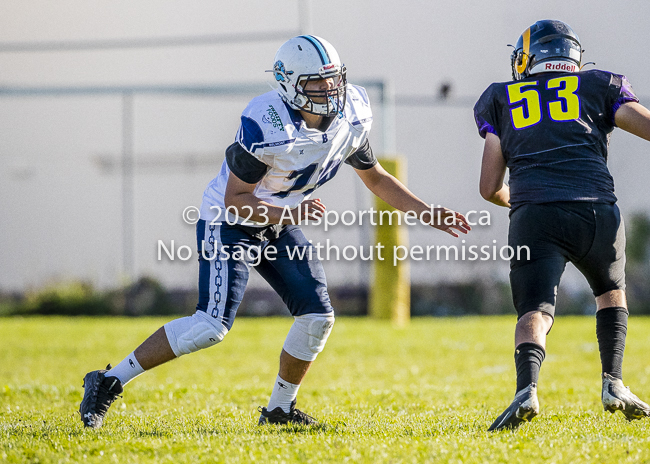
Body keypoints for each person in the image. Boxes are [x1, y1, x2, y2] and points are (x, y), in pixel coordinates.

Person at [80, 35, 471, 428]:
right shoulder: (267, 123)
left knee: (318, 317)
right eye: (316, 83)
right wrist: (291, 210)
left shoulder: (351, 114)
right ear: (289, 84)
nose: (329, 90)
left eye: (333, 80)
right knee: (210, 325)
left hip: (281, 219)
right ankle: (108, 381)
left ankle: (279, 409)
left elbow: (376, 178)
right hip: (230, 221)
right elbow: (236, 199)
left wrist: (426, 211)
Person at [474, 19, 650, 431]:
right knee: (610, 294)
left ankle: (527, 389)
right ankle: (614, 382)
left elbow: (488, 187)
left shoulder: (502, 97)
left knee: (534, 309)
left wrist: (523, 203)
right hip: (597, 210)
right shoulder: (596, 85)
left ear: (528, 59)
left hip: (535, 213)